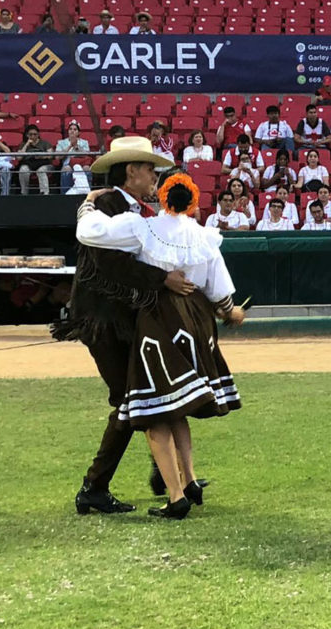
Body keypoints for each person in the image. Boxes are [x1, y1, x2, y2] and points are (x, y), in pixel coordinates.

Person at [76, 173, 244, 519]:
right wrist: (231, 311)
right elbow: (220, 291)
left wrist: (87, 205)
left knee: (151, 405)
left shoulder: (144, 227)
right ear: (193, 201)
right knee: (177, 405)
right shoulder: (203, 235)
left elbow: (91, 232)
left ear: (164, 197)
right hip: (197, 320)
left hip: (159, 318)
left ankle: (175, 494)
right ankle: (188, 480)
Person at [51, 137, 184, 515]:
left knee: (146, 393)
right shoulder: (107, 205)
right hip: (106, 319)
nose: (155, 176)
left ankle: (164, 475)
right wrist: (163, 280)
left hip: (123, 316)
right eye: (150, 169)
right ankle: (99, 484)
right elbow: (109, 265)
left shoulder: (132, 209)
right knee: (132, 400)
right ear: (132, 171)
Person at [55, 121, 91, 194]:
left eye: (75, 129)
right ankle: (65, 194)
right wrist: (70, 146)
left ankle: (87, 193)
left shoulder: (84, 142)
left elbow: (86, 155)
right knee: (66, 169)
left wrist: (76, 146)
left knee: (87, 168)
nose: (72, 131)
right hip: (67, 164)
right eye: (70, 129)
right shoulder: (61, 142)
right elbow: (58, 157)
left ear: (78, 132)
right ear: (68, 131)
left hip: (81, 163)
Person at [17, 126, 52, 195]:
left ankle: (45, 193)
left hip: (44, 164)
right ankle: (24, 192)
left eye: (35, 134)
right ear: (27, 135)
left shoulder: (45, 143)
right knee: (23, 170)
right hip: (29, 164)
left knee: (41, 171)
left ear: (38, 134)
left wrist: (41, 157)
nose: (33, 136)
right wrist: (26, 145)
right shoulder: (23, 144)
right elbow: (19, 157)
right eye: (30, 134)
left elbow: (50, 155)